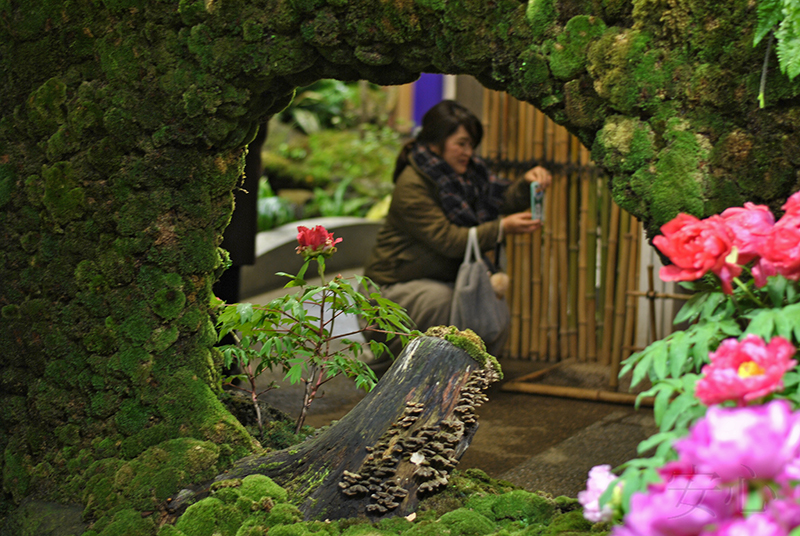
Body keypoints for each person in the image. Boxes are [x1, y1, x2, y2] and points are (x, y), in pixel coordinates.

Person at [363, 99, 552, 357]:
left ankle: (462, 376)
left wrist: (525, 184)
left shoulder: (468, 175)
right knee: (441, 301)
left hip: (439, 279)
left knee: (478, 295)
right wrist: (501, 228)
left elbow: (498, 200)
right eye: (461, 144)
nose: (468, 152)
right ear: (435, 142)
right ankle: (408, 372)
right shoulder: (413, 183)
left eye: (471, 145)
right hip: (391, 288)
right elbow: (448, 240)